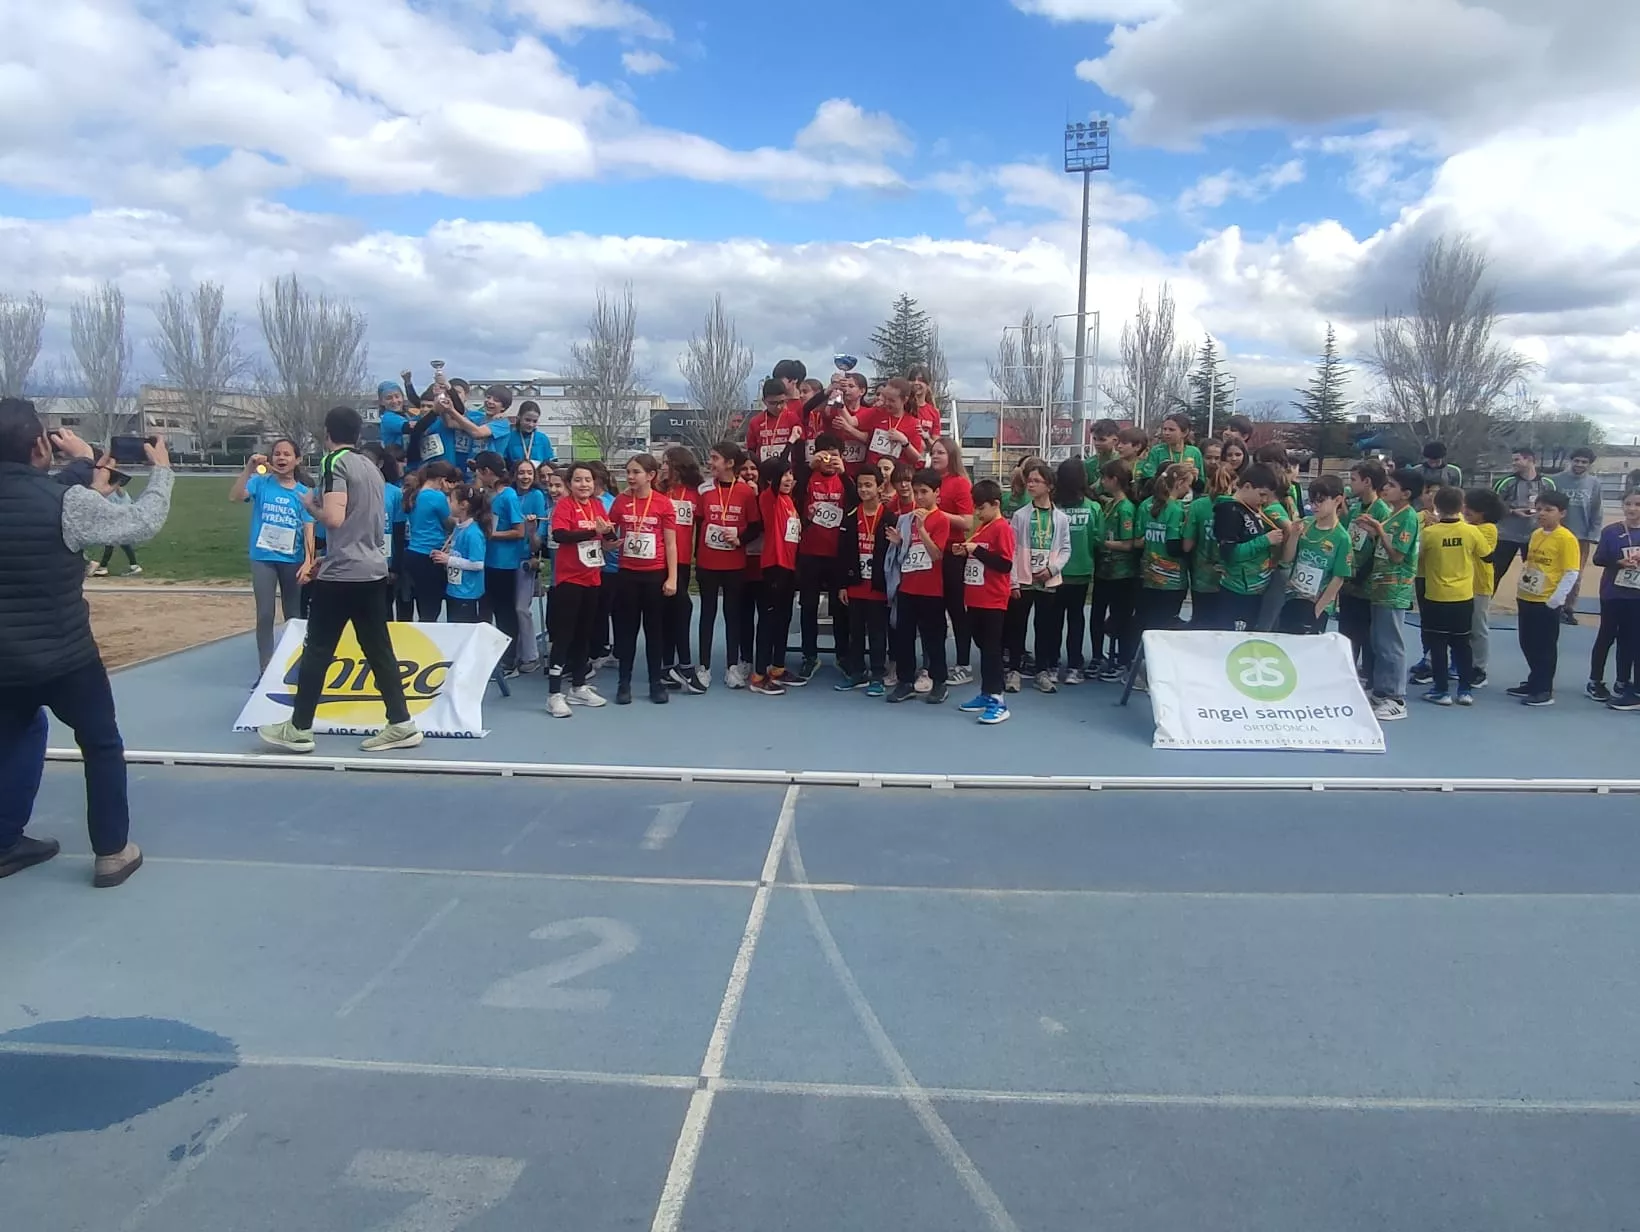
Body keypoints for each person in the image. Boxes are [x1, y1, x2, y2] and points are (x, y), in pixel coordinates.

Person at [0, 402, 170, 887]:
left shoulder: (63, 496)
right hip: (66, 655)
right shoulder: (65, 502)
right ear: (40, 445)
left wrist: (92, 468)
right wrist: (162, 474)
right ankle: (112, 851)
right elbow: (140, 523)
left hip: (4, 661)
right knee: (100, 745)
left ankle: (5, 839)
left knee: (16, 736)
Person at [259, 406, 423, 754]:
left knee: (318, 649)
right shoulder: (372, 468)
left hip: (344, 575)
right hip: (372, 569)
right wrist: (325, 556)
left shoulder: (335, 463)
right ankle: (401, 722)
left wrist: (309, 505)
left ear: (327, 432)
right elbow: (359, 525)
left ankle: (300, 727)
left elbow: (333, 519)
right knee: (379, 650)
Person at [231, 439, 318, 673]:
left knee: (293, 615)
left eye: (287, 454)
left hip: (292, 560)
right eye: (277, 454)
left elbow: (309, 528)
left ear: (297, 460)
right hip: (264, 557)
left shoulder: (304, 493)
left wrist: (309, 561)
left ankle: (294, 667)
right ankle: (265, 669)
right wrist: (249, 468)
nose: (281, 458)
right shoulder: (261, 483)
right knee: (265, 614)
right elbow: (236, 496)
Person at [544, 462, 614, 718]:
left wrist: (610, 537)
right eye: (578, 480)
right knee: (564, 636)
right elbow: (561, 535)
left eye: (588, 480)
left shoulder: (596, 505)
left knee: (585, 634)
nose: (583, 484)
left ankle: (578, 686)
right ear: (570, 484)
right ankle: (554, 694)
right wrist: (591, 532)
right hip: (569, 579)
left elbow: (604, 534)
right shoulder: (564, 506)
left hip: (592, 577)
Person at [610, 454, 679, 706]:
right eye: (628, 471)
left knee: (654, 632)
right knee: (627, 632)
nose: (630, 477)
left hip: (654, 575)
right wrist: (608, 542)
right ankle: (623, 683)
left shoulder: (663, 504)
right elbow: (609, 535)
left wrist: (672, 577)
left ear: (650, 476)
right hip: (628, 574)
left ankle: (655, 683)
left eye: (636, 472)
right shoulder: (620, 502)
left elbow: (671, 544)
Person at [1355, 471, 1422, 721]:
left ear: (1406, 494)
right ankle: (1382, 692)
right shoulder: (1395, 515)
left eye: (1392, 486)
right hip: (1380, 587)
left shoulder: (1408, 517)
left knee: (1391, 643)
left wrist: (1379, 531)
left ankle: (1396, 697)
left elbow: (1397, 556)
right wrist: (1374, 532)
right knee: (1379, 641)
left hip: (1395, 589)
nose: (1386, 488)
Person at [695, 443, 760, 692]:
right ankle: (704, 667)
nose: (711, 462)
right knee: (707, 615)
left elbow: (755, 525)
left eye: (715, 458)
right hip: (707, 563)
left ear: (730, 463)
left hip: (734, 564)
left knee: (733, 615)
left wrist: (739, 539)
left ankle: (733, 666)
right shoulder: (705, 490)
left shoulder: (745, 492)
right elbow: (699, 524)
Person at [1415, 484, 1487, 706]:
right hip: (1463, 597)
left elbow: (1417, 560)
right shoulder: (1472, 532)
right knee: (1462, 644)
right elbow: (1487, 555)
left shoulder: (1429, 533)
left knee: (1437, 644)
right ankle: (1465, 691)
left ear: (1436, 506)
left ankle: (1441, 690)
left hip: (1436, 596)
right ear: (1462, 506)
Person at [1506, 490, 1580, 707]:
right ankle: (1534, 679)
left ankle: (1544, 688)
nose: (1542, 514)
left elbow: (1571, 572)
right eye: (1539, 509)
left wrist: (1557, 599)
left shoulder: (1566, 539)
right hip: (1527, 595)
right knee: (1526, 642)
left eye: (1549, 510)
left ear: (1562, 513)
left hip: (1547, 600)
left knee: (1544, 646)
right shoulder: (1537, 534)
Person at [886, 468, 952, 704]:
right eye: (916, 492)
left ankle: (939, 682)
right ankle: (905, 681)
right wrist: (899, 542)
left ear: (936, 493)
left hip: (931, 591)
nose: (920, 497)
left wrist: (922, 529)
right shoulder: (907, 519)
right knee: (903, 638)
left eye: (924, 492)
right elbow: (907, 551)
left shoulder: (941, 520)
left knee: (933, 639)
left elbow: (935, 554)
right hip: (907, 588)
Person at [952, 480, 1015, 725]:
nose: (977, 513)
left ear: (996, 504)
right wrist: (965, 550)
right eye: (975, 508)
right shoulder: (983, 528)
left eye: (981, 508)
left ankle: (999, 700)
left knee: (991, 651)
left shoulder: (1002, 528)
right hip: (975, 598)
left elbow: (1005, 564)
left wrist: (976, 550)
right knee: (982, 646)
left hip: (993, 600)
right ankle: (987, 693)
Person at [1005, 460, 1071, 694]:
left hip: (1048, 580)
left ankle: (1041, 671)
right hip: (1023, 579)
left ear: (1049, 486)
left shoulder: (1061, 518)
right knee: (1017, 626)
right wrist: (1013, 581)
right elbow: (1012, 550)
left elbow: (1065, 549)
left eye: (1036, 481)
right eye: (1029, 481)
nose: (1030, 485)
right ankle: (1014, 669)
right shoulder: (1021, 516)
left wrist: (1052, 570)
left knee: (1045, 627)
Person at [835, 466, 891, 695]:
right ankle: (856, 672)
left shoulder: (890, 518)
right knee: (855, 633)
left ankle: (877, 675)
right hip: (856, 586)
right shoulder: (849, 516)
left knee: (878, 634)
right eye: (860, 485)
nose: (864, 489)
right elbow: (841, 554)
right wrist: (841, 585)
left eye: (869, 485)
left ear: (880, 487)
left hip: (879, 587)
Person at [1212, 463, 1285, 634]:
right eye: (1261, 495)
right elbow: (1229, 553)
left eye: (1267, 496)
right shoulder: (1228, 511)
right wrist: (1265, 540)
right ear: (1247, 486)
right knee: (1236, 640)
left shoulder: (1251, 510)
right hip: (1238, 592)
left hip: (1255, 589)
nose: (1264, 500)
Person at [1277, 474, 1353, 636]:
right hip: (1292, 597)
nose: (1314, 506)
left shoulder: (1342, 538)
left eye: (1321, 501)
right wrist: (1294, 536)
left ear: (1337, 500)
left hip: (1317, 603)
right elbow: (1287, 559)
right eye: (1312, 501)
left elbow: (1339, 578)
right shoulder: (1305, 524)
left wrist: (1318, 610)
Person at [472, 452, 527, 673]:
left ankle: (510, 658)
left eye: (478, 471)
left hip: (503, 564)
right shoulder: (487, 494)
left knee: (505, 612)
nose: (477, 476)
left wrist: (492, 535)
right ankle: (487, 655)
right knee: (485, 608)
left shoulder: (509, 496)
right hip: (486, 561)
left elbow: (519, 531)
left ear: (487, 472)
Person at [752, 455, 800, 695]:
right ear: (771, 479)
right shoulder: (768, 498)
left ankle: (778, 669)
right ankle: (759, 674)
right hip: (774, 567)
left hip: (789, 569)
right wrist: (791, 441)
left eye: (791, 474)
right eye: (784, 474)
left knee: (783, 621)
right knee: (769, 623)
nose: (789, 478)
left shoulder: (788, 501)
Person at [930, 437, 975, 688]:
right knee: (934, 610)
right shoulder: (930, 481)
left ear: (951, 456)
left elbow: (967, 522)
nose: (935, 456)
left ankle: (964, 663)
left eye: (940, 453)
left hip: (952, 553)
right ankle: (936, 663)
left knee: (956, 610)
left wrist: (938, 514)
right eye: (933, 452)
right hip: (931, 552)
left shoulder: (959, 484)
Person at [659, 446, 704, 693]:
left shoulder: (695, 493)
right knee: (668, 612)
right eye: (662, 462)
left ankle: (681, 665)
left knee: (680, 608)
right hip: (658, 560)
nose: (663, 466)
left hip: (683, 560)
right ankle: (672, 666)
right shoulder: (658, 491)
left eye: (667, 462)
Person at [1339, 462, 1390, 680]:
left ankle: (1370, 674)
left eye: (1353, 480)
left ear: (1367, 482)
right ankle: (1348, 670)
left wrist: (1361, 577)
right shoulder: (1356, 508)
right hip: (1350, 577)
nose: (1350, 485)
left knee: (1366, 632)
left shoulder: (1382, 511)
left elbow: (1382, 550)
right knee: (1347, 630)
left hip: (1367, 581)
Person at [1590, 491, 1640, 711]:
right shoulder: (1612, 531)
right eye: (1628, 504)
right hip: (1612, 593)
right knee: (1606, 636)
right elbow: (1598, 558)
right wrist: (1619, 562)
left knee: (1631, 640)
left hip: (1636, 596)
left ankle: (1622, 681)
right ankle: (1595, 680)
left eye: (1638, 504)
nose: (1632, 509)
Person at [1091, 459, 1140, 679]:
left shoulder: (1127, 508)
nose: (1101, 482)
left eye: (1104, 478)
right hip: (1104, 571)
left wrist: (1102, 543)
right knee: (1098, 615)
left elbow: (1128, 544)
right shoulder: (1110, 503)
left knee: (1120, 617)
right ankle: (1099, 658)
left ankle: (1122, 662)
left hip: (1121, 573)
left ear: (1114, 480)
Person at [1053, 458, 1101, 685]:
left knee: (1054, 620)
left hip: (1056, 571)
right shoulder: (1093, 507)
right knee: (1075, 618)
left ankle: (1053, 664)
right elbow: (1097, 538)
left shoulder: (1053, 507)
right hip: (1078, 570)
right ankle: (1074, 666)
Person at [402, 460, 458, 620]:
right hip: (430, 555)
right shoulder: (437, 496)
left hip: (413, 552)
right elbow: (449, 523)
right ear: (441, 479)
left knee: (421, 605)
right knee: (431, 609)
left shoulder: (415, 494)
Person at [1492, 448, 1555, 588]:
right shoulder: (1506, 482)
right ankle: (1481, 607)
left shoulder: (1547, 483)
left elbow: (1554, 507)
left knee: (1535, 573)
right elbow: (1492, 506)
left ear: (1529, 460)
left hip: (1536, 536)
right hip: (1506, 536)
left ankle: (1532, 605)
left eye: (1517, 459)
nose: (1514, 463)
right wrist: (1513, 511)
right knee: (1494, 573)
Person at [1461, 486, 1504, 689]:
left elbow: (1470, 540)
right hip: (1461, 584)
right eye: (1466, 507)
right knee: (1461, 627)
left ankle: (1480, 668)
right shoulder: (1466, 526)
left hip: (1479, 585)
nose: (1466, 511)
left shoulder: (1489, 529)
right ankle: (1462, 664)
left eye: (1473, 508)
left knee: (1478, 628)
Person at [1185, 462, 1232, 629]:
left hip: (1201, 577)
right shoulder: (1239, 505)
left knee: (1200, 624)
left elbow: (1187, 545)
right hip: (1230, 579)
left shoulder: (1198, 505)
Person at [1559, 447, 1603, 624]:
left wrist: (1593, 533)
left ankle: (1568, 608)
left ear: (1589, 464)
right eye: (1576, 461)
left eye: (1584, 462)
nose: (1579, 464)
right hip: (1558, 534)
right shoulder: (1557, 480)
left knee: (1574, 574)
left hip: (1581, 536)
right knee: (1553, 570)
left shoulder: (1593, 483)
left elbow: (1596, 510)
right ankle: (1551, 605)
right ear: (1571, 461)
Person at [432, 484, 488, 622]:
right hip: (454, 588)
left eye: (451, 500)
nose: (448, 503)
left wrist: (448, 560)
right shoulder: (459, 527)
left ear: (463, 505)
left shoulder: (473, 533)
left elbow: (478, 564)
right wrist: (442, 554)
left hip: (466, 592)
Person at [513, 459, 548, 674]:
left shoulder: (536, 497)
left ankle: (530, 654)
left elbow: (538, 535)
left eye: (529, 473)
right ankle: (513, 652)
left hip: (526, 558)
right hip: (506, 559)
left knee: (521, 608)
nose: (525, 476)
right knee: (509, 609)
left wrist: (535, 553)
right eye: (521, 472)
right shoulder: (508, 495)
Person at [86, 470, 143, 576]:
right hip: (123, 520)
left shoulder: (110, 494)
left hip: (116, 521)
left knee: (112, 543)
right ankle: (131, 566)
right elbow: (130, 505)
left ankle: (104, 567)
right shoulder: (124, 493)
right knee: (118, 543)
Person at [746, 376, 803, 463]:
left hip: (788, 471)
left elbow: (800, 447)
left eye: (782, 402)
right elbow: (751, 450)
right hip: (765, 470)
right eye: (773, 403)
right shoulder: (755, 422)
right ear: (764, 401)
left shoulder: (793, 418)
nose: (778, 407)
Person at [502, 400, 556, 468]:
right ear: (519, 417)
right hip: (514, 476)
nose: (531, 424)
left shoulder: (543, 439)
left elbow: (549, 462)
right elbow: (504, 462)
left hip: (538, 477)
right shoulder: (508, 438)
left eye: (534, 421)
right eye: (527, 420)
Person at [377, 381, 409, 453]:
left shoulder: (407, 416)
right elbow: (409, 428)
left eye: (397, 396)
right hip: (395, 460)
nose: (394, 401)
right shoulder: (388, 418)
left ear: (402, 397)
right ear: (382, 402)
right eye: (389, 398)